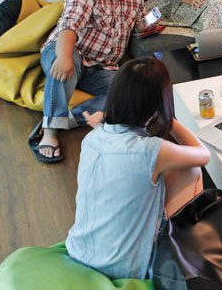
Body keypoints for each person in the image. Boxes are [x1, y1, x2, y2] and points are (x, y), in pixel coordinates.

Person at [66, 57, 210, 280]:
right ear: (157, 105)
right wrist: (169, 119)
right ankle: (181, 251)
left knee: (160, 174)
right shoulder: (152, 150)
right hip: (123, 269)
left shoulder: (92, 138)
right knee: (191, 171)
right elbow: (203, 155)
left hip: (79, 250)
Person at [31, 0, 149, 163]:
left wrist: (147, 25)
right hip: (68, 52)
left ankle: (65, 118)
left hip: (101, 67)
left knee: (130, 92)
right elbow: (70, 25)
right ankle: (50, 131)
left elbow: (139, 24)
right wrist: (65, 58)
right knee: (68, 58)